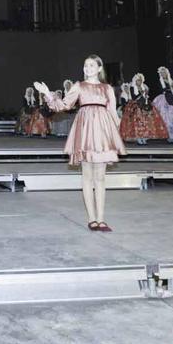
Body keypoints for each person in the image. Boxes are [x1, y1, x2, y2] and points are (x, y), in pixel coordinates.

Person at [34, 55, 126, 232]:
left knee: (100, 177)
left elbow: (113, 114)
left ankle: (101, 219)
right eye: (85, 65)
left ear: (99, 68)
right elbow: (63, 105)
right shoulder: (79, 86)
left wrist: (116, 136)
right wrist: (47, 94)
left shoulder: (107, 88)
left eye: (92, 65)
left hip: (102, 132)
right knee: (87, 175)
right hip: (84, 131)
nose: (87, 68)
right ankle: (92, 219)